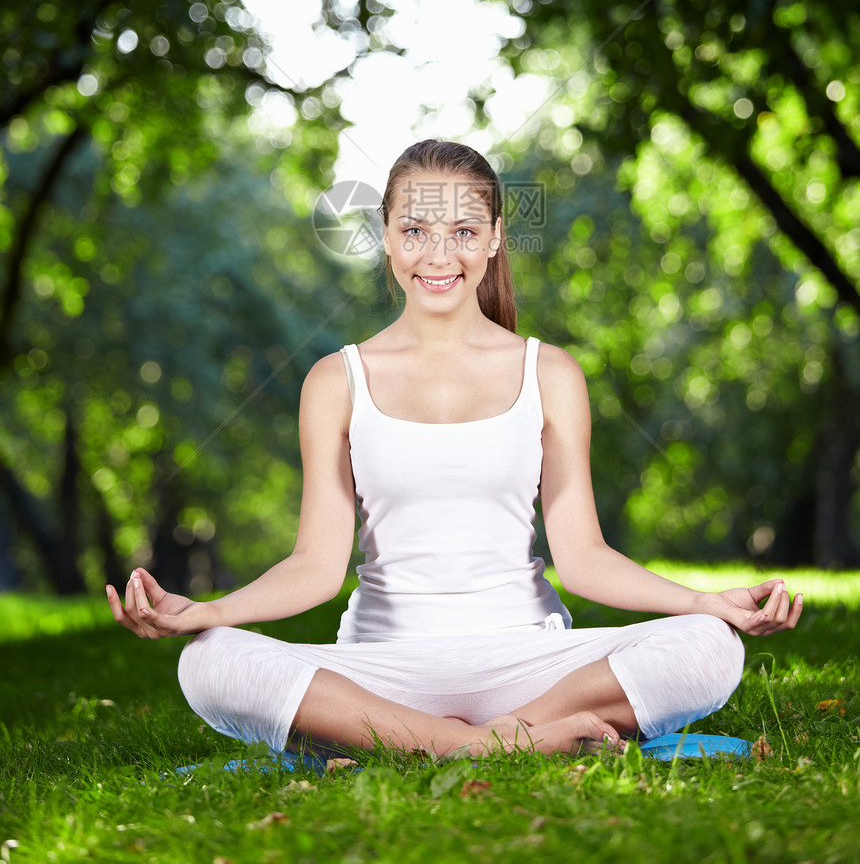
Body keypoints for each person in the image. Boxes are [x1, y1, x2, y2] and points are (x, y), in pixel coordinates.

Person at [106, 139, 802, 760]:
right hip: (383, 665)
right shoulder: (335, 380)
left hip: (527, 659)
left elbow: (583, 559)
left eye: (463, 231)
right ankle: (495, 745)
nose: (439, 256)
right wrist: (209, 612)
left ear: (496, 237)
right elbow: (317, 566)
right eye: (415, 231)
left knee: (708, 647)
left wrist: (701, 599)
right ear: (385, 237)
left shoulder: (549, 373)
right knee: (209, 662)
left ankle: (434, 745)